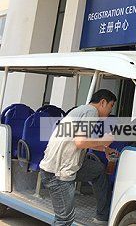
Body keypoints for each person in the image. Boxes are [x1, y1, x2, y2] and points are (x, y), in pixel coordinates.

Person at [40, 89, 118, 226]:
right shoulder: (91, 112)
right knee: (64, 219)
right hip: (58, 172)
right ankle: (102, 215)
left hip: (61, 165)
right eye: (111, 106)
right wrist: (105, 140)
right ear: (103, 102)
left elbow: (77, 140)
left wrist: (105, 149)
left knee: (99, 170)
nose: (111, 111)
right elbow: (80, 142)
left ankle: (102, 216)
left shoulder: (81, 110)